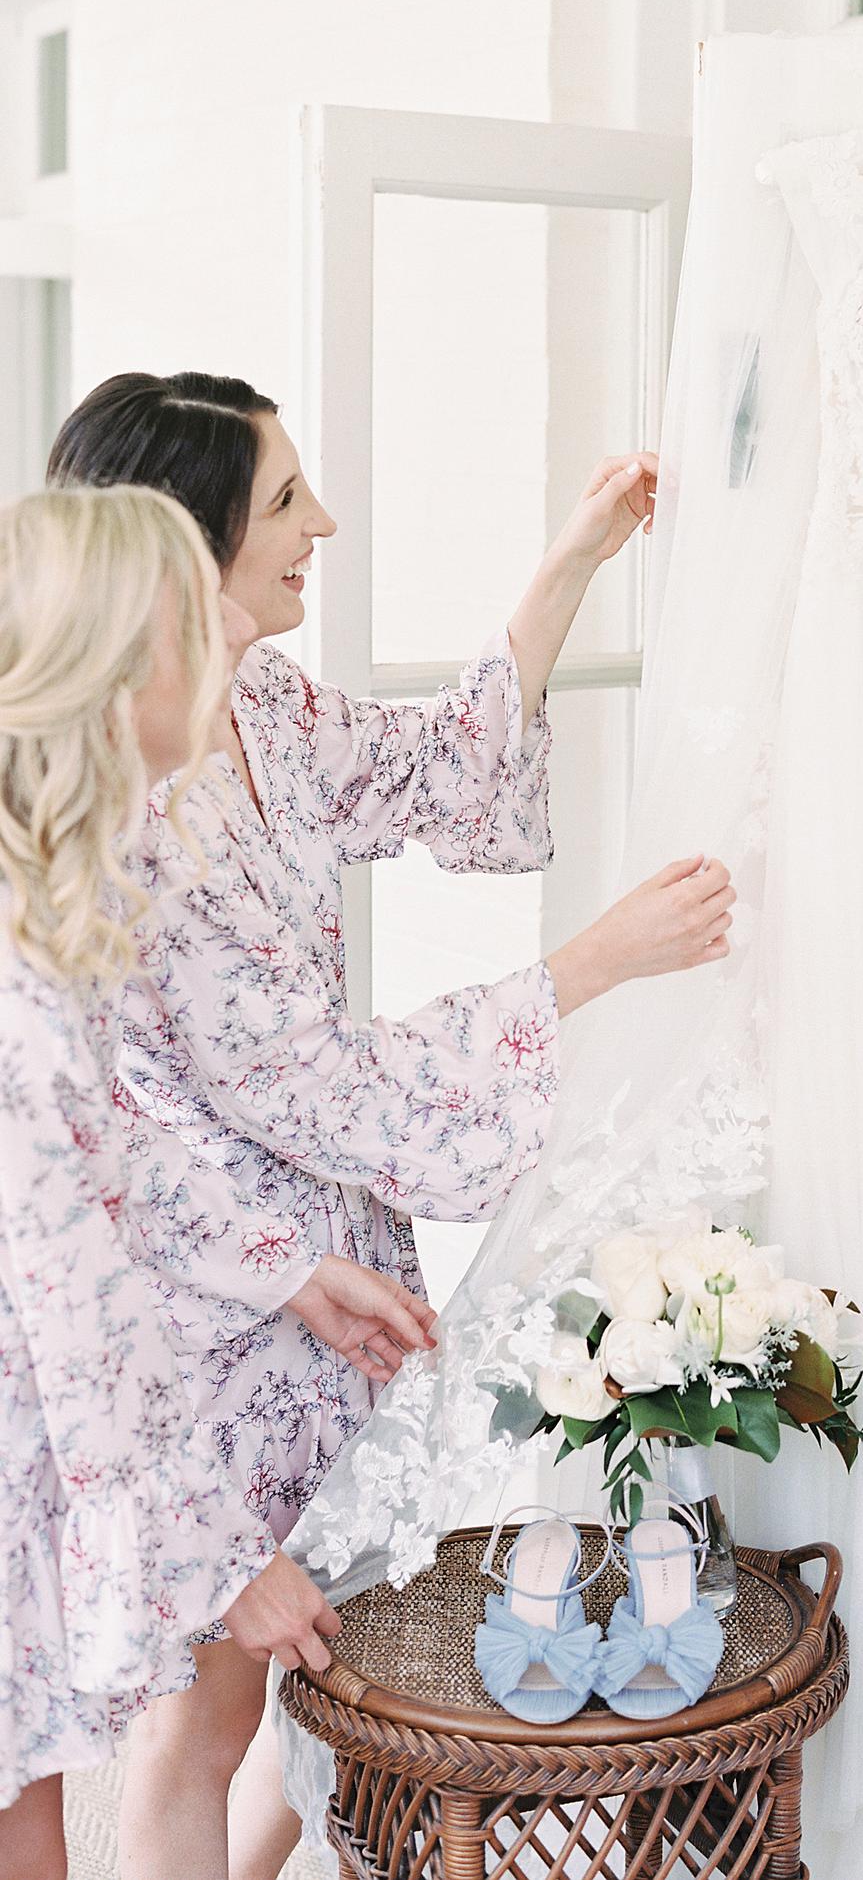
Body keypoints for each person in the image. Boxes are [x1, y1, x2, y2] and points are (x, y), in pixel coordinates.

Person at [48, 372, 735, 1880]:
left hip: (336, 1275)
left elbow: (443, 766)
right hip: (213, 1295)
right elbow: (306, 1080)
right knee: (202, 1713)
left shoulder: (272, 708)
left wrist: (568, 566)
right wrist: (594, 963)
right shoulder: (132, 800)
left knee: (333, 1657)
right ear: (185, 540)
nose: (323, 522)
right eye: (286, 500)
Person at [0, 486, 373, 1880]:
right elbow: (83, 1317)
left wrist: (292, 1268)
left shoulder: (60, 895)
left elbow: (124, 1161)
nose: (232, 639)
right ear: (113, 671)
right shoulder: (23, 968)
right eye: (192, 621)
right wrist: (227, 1556)